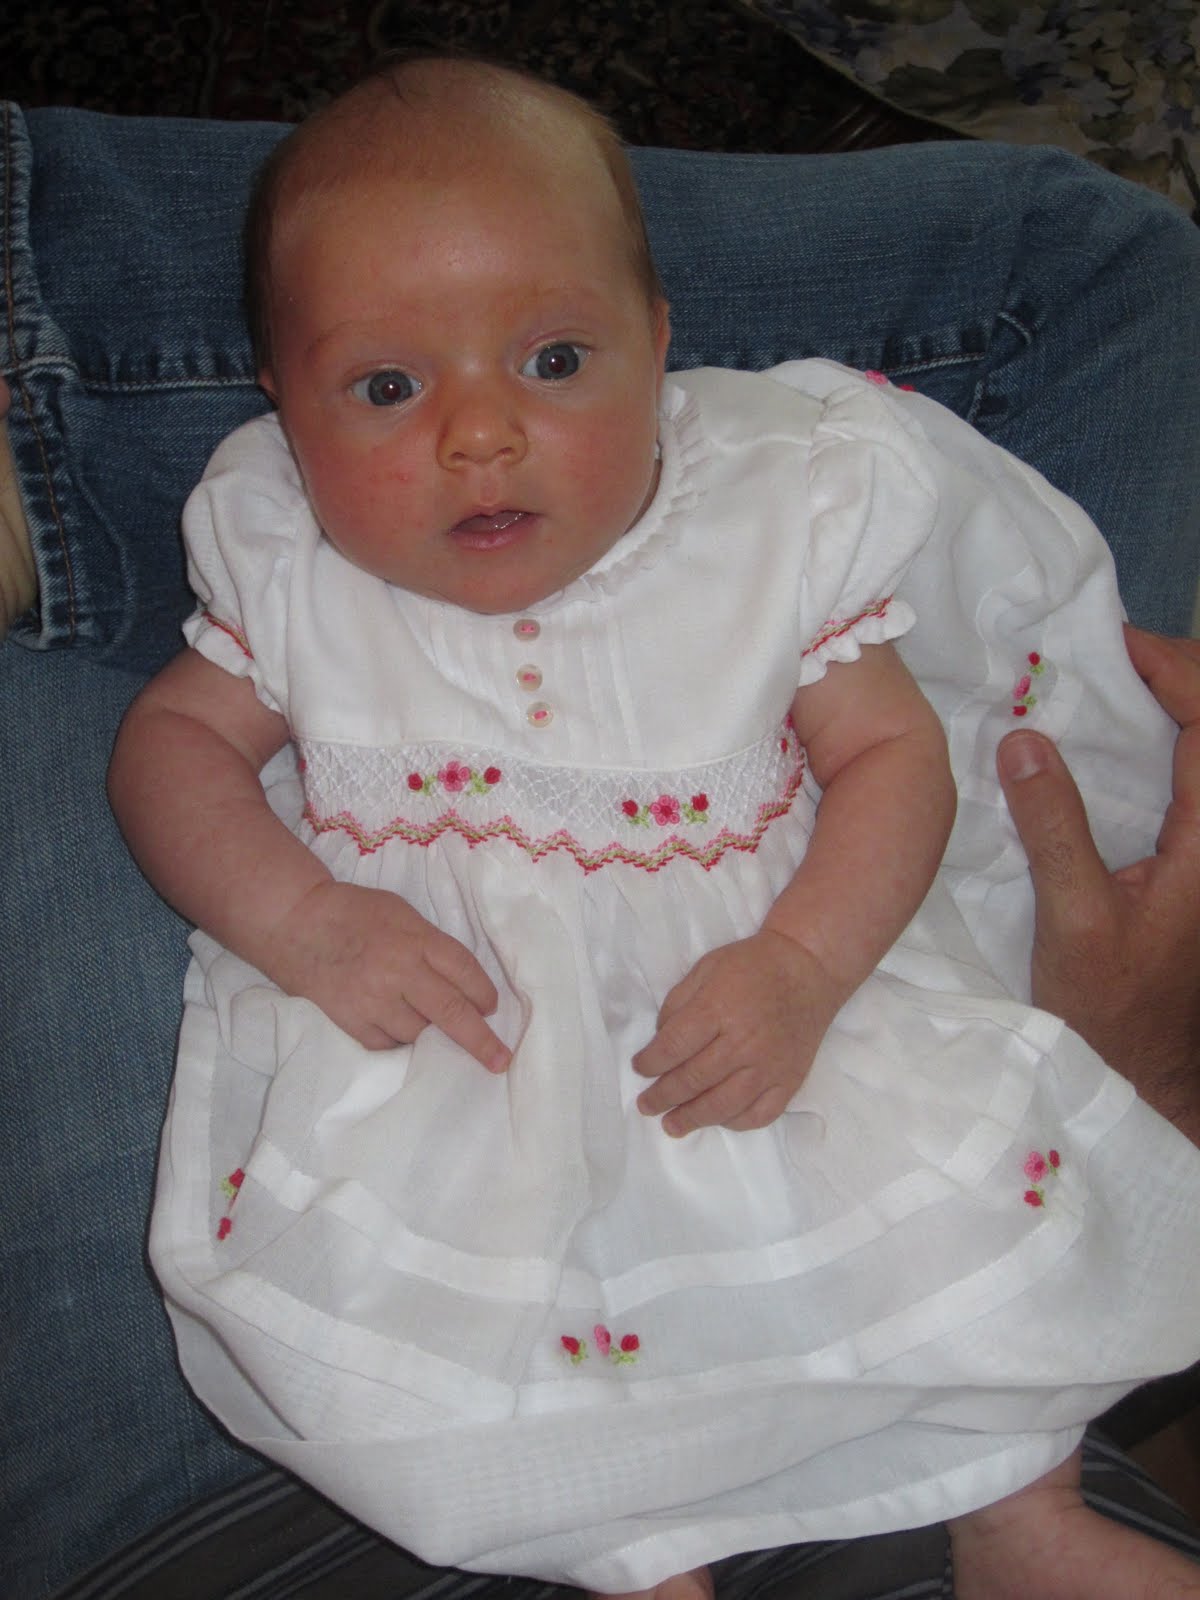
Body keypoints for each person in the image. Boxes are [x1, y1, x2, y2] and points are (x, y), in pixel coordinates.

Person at [2, 80, 1199, 1600]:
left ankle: (1020, 1514)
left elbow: (893, 755)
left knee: (944, 1240)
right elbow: (174, 747)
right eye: (384, 387)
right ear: (280, 411)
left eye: (557, 361)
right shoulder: (292, 563)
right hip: (468, 1047)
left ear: (664, 347)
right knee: (478, 1327)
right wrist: (303, 919)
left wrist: (806, 963)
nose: (480, 434)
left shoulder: (760, 519)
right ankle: (630, 1556)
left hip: (772, 1009)